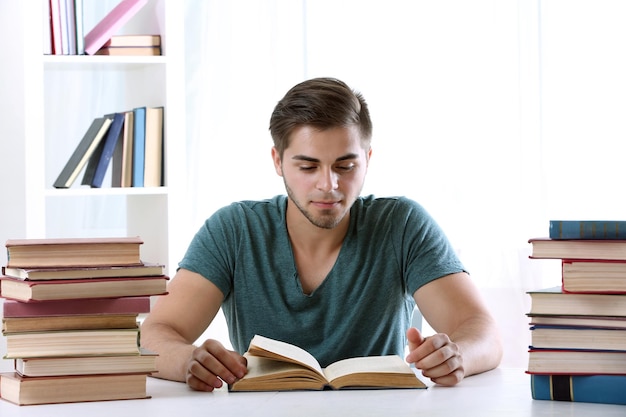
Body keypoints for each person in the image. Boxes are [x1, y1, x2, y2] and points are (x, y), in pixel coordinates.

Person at [140, 77, 502, 392]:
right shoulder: (233, 229)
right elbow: (157, 334)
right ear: (278, 161)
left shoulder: (402, 223)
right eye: (308, 166)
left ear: (368, 158)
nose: (329, 185)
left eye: (346, 166)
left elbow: (481, 331)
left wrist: (458, 356)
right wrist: (188, 360)